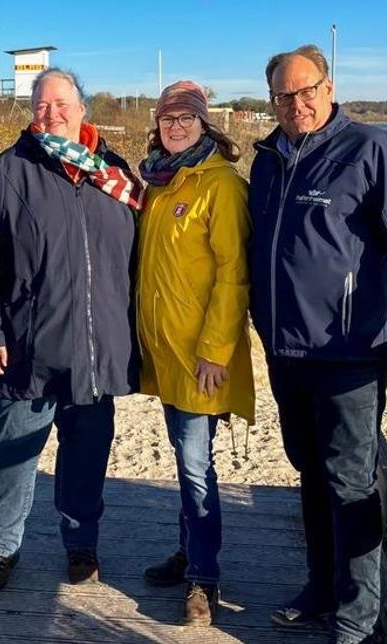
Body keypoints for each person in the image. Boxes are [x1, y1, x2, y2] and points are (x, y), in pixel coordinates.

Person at [248, 45, 387, 644]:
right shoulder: (268, 159)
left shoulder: (372, 150)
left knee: (351, 481)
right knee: (310, 471)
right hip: (284, 349)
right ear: (271, 100)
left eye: (306, 92)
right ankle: (321, 588)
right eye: (283, 96)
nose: (296, 105)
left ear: (328, 86)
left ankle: (356, 617)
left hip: (349, 352)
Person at [0, 68, 143, 591]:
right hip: (27, 343)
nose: (52, 114)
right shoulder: (9, 169)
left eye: (62, 104)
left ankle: (80, 542)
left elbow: (139, 261)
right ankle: (1, 546)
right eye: (42, 106)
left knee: (87, 452)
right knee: (12, 451)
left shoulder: (114, 173)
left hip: (96, 346)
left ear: (82, 109)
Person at [135, 80, 254, 626]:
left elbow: (234, 276)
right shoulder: (159, 181)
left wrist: (215, 351)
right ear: (157, 124)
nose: (176, 125)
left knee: (195, 465)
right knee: (186, 462)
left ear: (205, 124)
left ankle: (203, 578)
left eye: (187, 117)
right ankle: (189, 553)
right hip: (164, 351)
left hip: (201, 356)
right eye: (168, 118)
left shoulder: (221, 184)